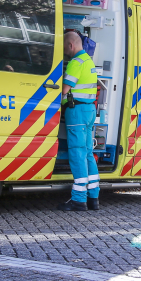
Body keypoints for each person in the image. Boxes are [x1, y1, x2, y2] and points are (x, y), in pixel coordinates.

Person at [57, 31, 100, 211]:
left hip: (77, 112)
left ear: (71, 45)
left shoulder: (76, 63)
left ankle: (78, 199)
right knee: (88, 153)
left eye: (65, 48)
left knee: (77, 154)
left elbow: (64, 90)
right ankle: (93, 198)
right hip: (89, 110)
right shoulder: (89, 61)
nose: (65, 52)